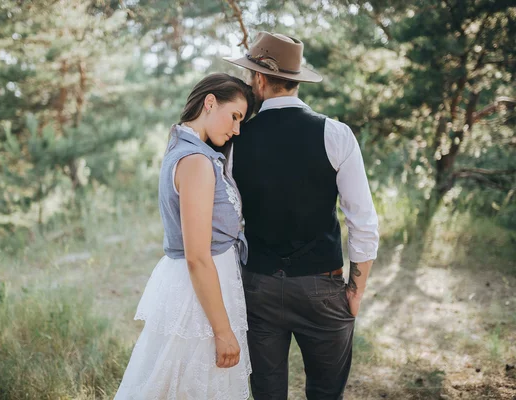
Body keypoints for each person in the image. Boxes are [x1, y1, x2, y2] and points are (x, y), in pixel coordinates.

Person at [224, 32, 380, 399]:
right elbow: (364, 221)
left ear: (258, 79)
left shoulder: (236, 139)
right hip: (321, 287)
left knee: (266, 391)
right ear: (296, 80)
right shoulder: (336, 134)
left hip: (258, 285)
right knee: (326, 393)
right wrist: (356, 290)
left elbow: (228, 219)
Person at [114, 73, 255, 400]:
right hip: (198, 294)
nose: (236, 129)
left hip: (210, 284)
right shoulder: (195, 161)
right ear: (209, 102)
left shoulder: (194, 151)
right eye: (234, 116)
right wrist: (223, 332)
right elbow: (197, 255)